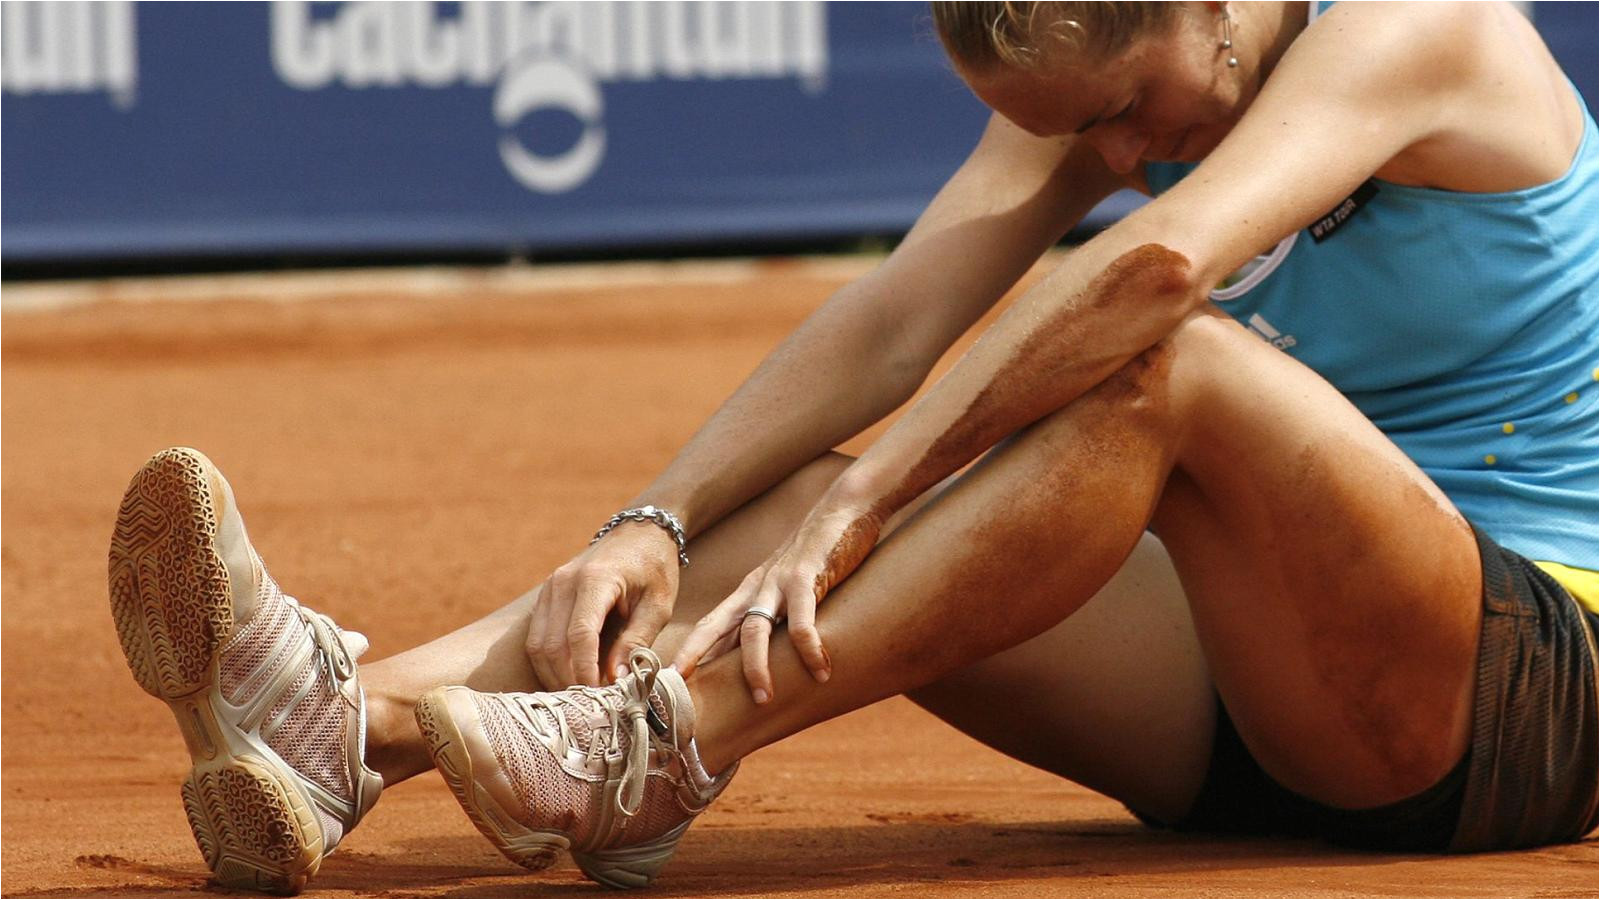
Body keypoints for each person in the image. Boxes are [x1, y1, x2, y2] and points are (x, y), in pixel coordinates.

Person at [107, 1, 1598, 893]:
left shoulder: (1420, 30)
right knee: (791, 495)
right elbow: (895, 323)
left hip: (1527, 694)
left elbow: (1155, 272)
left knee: (1164, 365)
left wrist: (890, 491)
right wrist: (661, 521)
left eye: (1131, 108)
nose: (1125, 152)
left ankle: (671, 746)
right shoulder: (1123, 74)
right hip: (1262, 697)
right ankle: (338, 731)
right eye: (1088, 131)